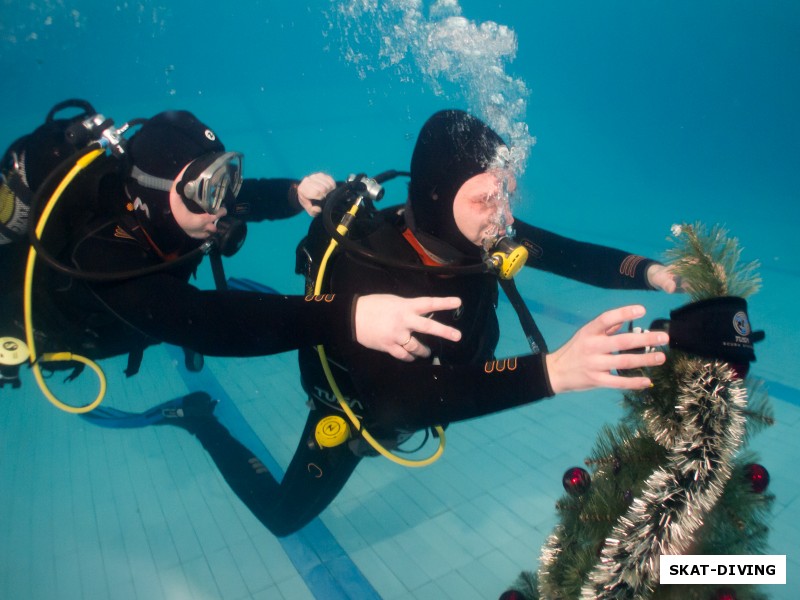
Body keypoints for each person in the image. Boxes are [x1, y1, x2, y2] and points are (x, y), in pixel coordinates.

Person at [93, 109, 682, 536]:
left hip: (447, 381)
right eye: (486, 198)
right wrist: (552, 371)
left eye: (505, 194)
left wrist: (651, 272)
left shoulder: (481, 230)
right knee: (282, 518)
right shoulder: (369, 266)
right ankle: (199, 421)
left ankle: (255, 309)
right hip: (358, 410)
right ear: (438, 195)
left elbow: (573, 254)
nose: (503, 216)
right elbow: (401, 404)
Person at [0, 107, 463, 391]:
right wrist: (351, 317)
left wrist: (292, 193)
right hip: (38, 328)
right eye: (208, 190)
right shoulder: (100, 252)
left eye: (227, 177)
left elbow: (244, 198)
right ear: (155, 193)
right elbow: (207, 322)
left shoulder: (181, 203)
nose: (222, 207)